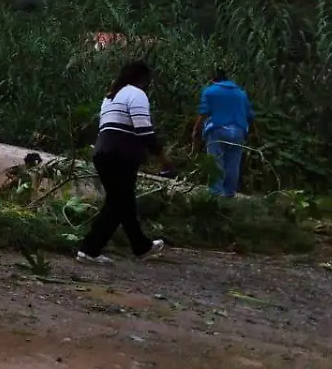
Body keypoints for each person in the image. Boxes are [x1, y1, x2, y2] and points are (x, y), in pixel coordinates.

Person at [77, 59, 172, 264]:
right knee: (118, 204)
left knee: (123, 202)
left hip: (103, 152)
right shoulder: (137, 94)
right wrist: (163, 159)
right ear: (143, 79)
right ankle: (89, 249)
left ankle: (141, 246)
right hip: (121, 155)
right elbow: (144, 130)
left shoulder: (110, 96)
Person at [192, 68, 255, 198]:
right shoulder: (241, 94)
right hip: (238, 131)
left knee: (216, 162)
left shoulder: (210, 91)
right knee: (233, 164)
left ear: (214, 80)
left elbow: (203, 112)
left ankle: (215, 194)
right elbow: (250, 116)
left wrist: (196, 129)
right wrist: (253, 132)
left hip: (217, 130)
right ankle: (229, 194)